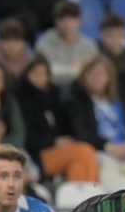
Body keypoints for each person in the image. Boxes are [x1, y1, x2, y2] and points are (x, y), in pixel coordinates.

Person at [64, 55, 125, 189]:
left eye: (101, 74)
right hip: (101, 151)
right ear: (84, 76)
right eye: (92, 74)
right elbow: (81, 133)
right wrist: (109, 147)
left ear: (109, 77)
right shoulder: (76, 100)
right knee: (117, 179)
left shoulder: (121, 96)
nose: (97, 78)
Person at [16, 54, 99, 184]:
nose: (40, 78)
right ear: (26, 74)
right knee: (84, 152)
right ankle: (89, 200)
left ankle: (79, 199)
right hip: (36, 154)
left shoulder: (54, 97)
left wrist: (66, 139)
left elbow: (65, 126)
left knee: (78, 164)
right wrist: (53, 141)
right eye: (35, 73)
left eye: (44, 74)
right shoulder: (20, 100)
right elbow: (27, 137)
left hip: (57, 149)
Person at [34, 0, 99, 90]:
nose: (67, 24)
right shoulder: (43, 43)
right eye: (62, 19)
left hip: (81, 92)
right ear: (55, 21)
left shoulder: (89, 45)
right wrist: (77, 70)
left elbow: (93, 74)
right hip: (51, 91)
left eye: (72, 19)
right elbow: (45, 73)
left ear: (80, 21)